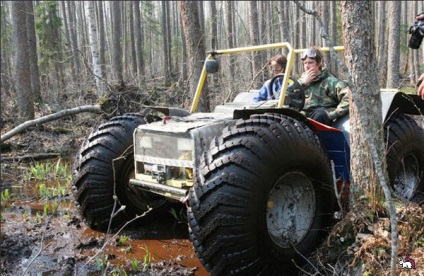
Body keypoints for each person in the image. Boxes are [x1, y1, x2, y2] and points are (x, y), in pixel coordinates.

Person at [298, 46, 350, 126]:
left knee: (320, 115)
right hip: (303, 121)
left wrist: (332, 114)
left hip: (322, 121)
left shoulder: (330, 82)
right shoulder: (299, 83)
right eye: (305, 63)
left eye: (310, 63)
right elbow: (287, 99)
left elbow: (349, 96)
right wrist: (304, 84)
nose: (307, 66)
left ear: (318, 64)